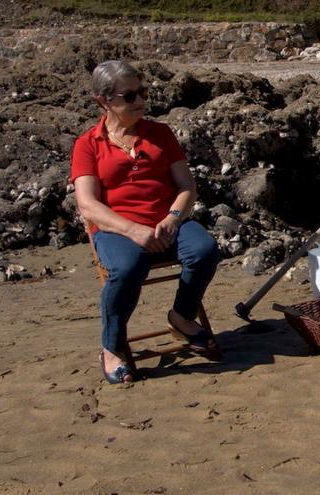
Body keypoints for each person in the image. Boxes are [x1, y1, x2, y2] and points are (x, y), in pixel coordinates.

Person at [70, 60, 221, 385]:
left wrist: (172, 218)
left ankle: (181, 317)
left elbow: (186, 187)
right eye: (129, 96)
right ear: (104, 101)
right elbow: (88, 205)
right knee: (127, 267)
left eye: (143, 92)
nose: (140, 101)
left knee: (205, 249)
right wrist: (133, 230)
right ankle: (111, 347)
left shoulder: (160, 133)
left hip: (166, 221)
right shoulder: (88, 144)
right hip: (116, 228)